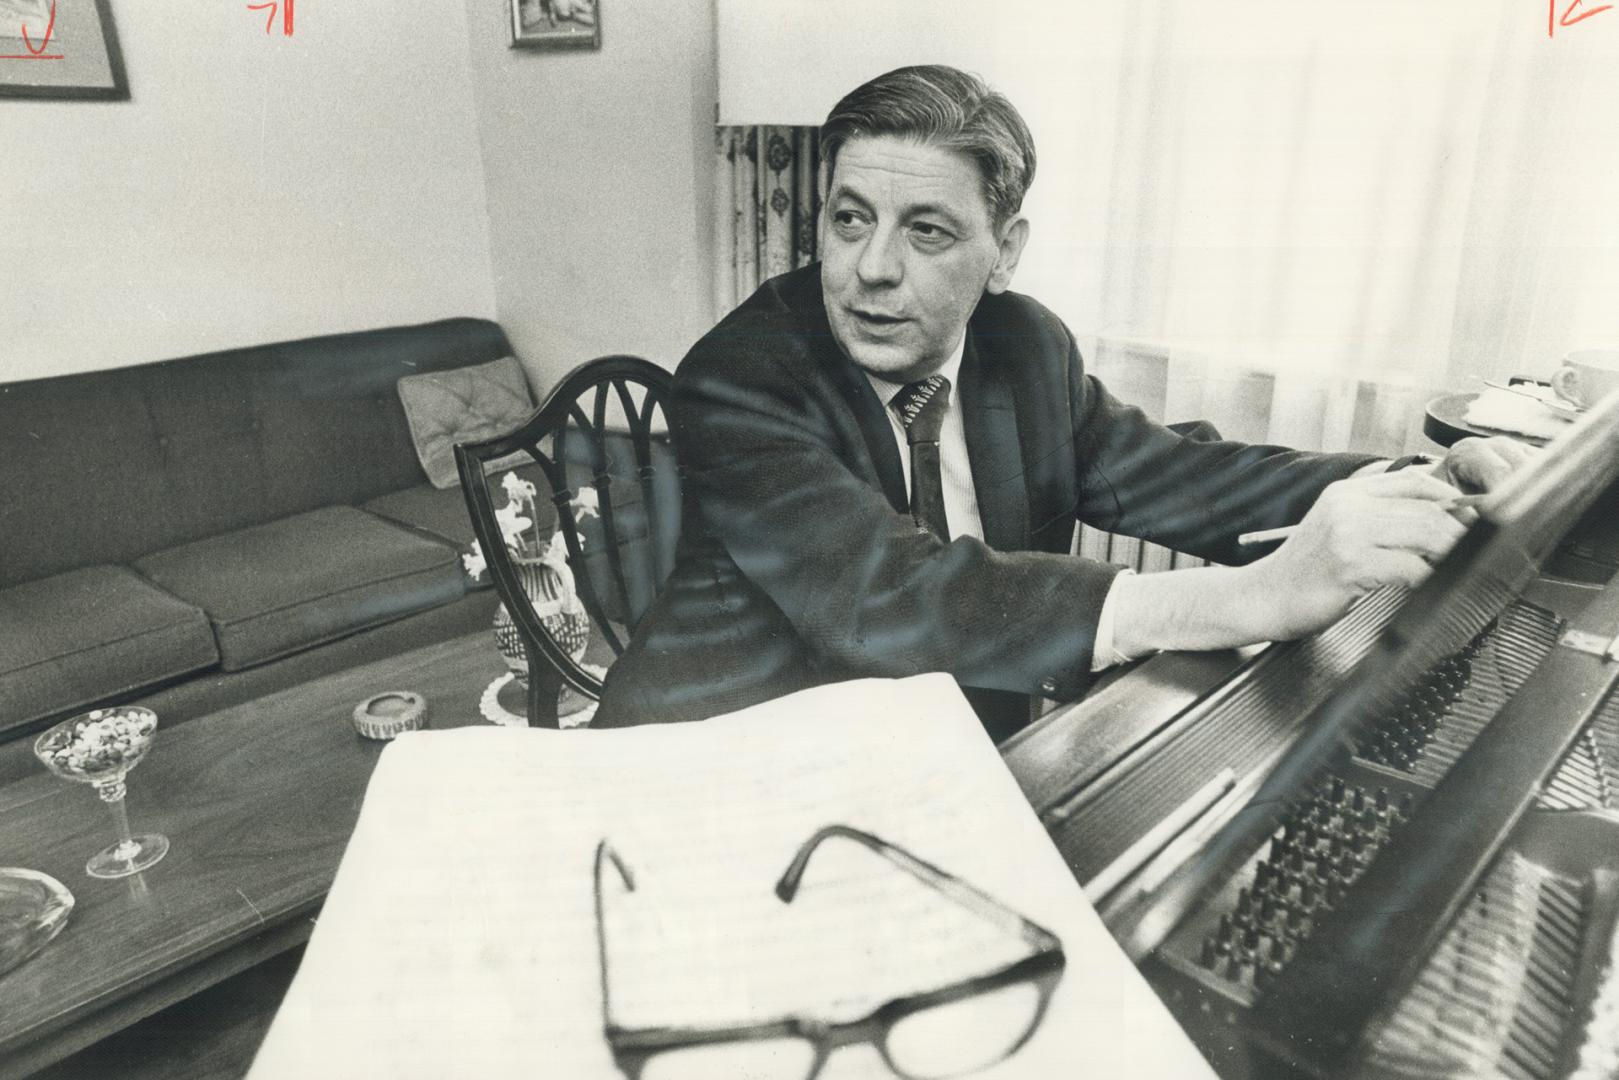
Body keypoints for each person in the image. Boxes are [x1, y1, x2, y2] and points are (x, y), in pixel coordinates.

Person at [594, 65, 1531, 740]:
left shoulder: (1024, 347)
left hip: (938, 768)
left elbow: (1184, 476)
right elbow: (888, 597)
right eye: (850, 220)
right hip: (709, 764)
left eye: (926, 231)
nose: (871, 269)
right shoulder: (739, 375)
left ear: (1004, 253)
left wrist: (1413, 487)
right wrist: (1255, 596)